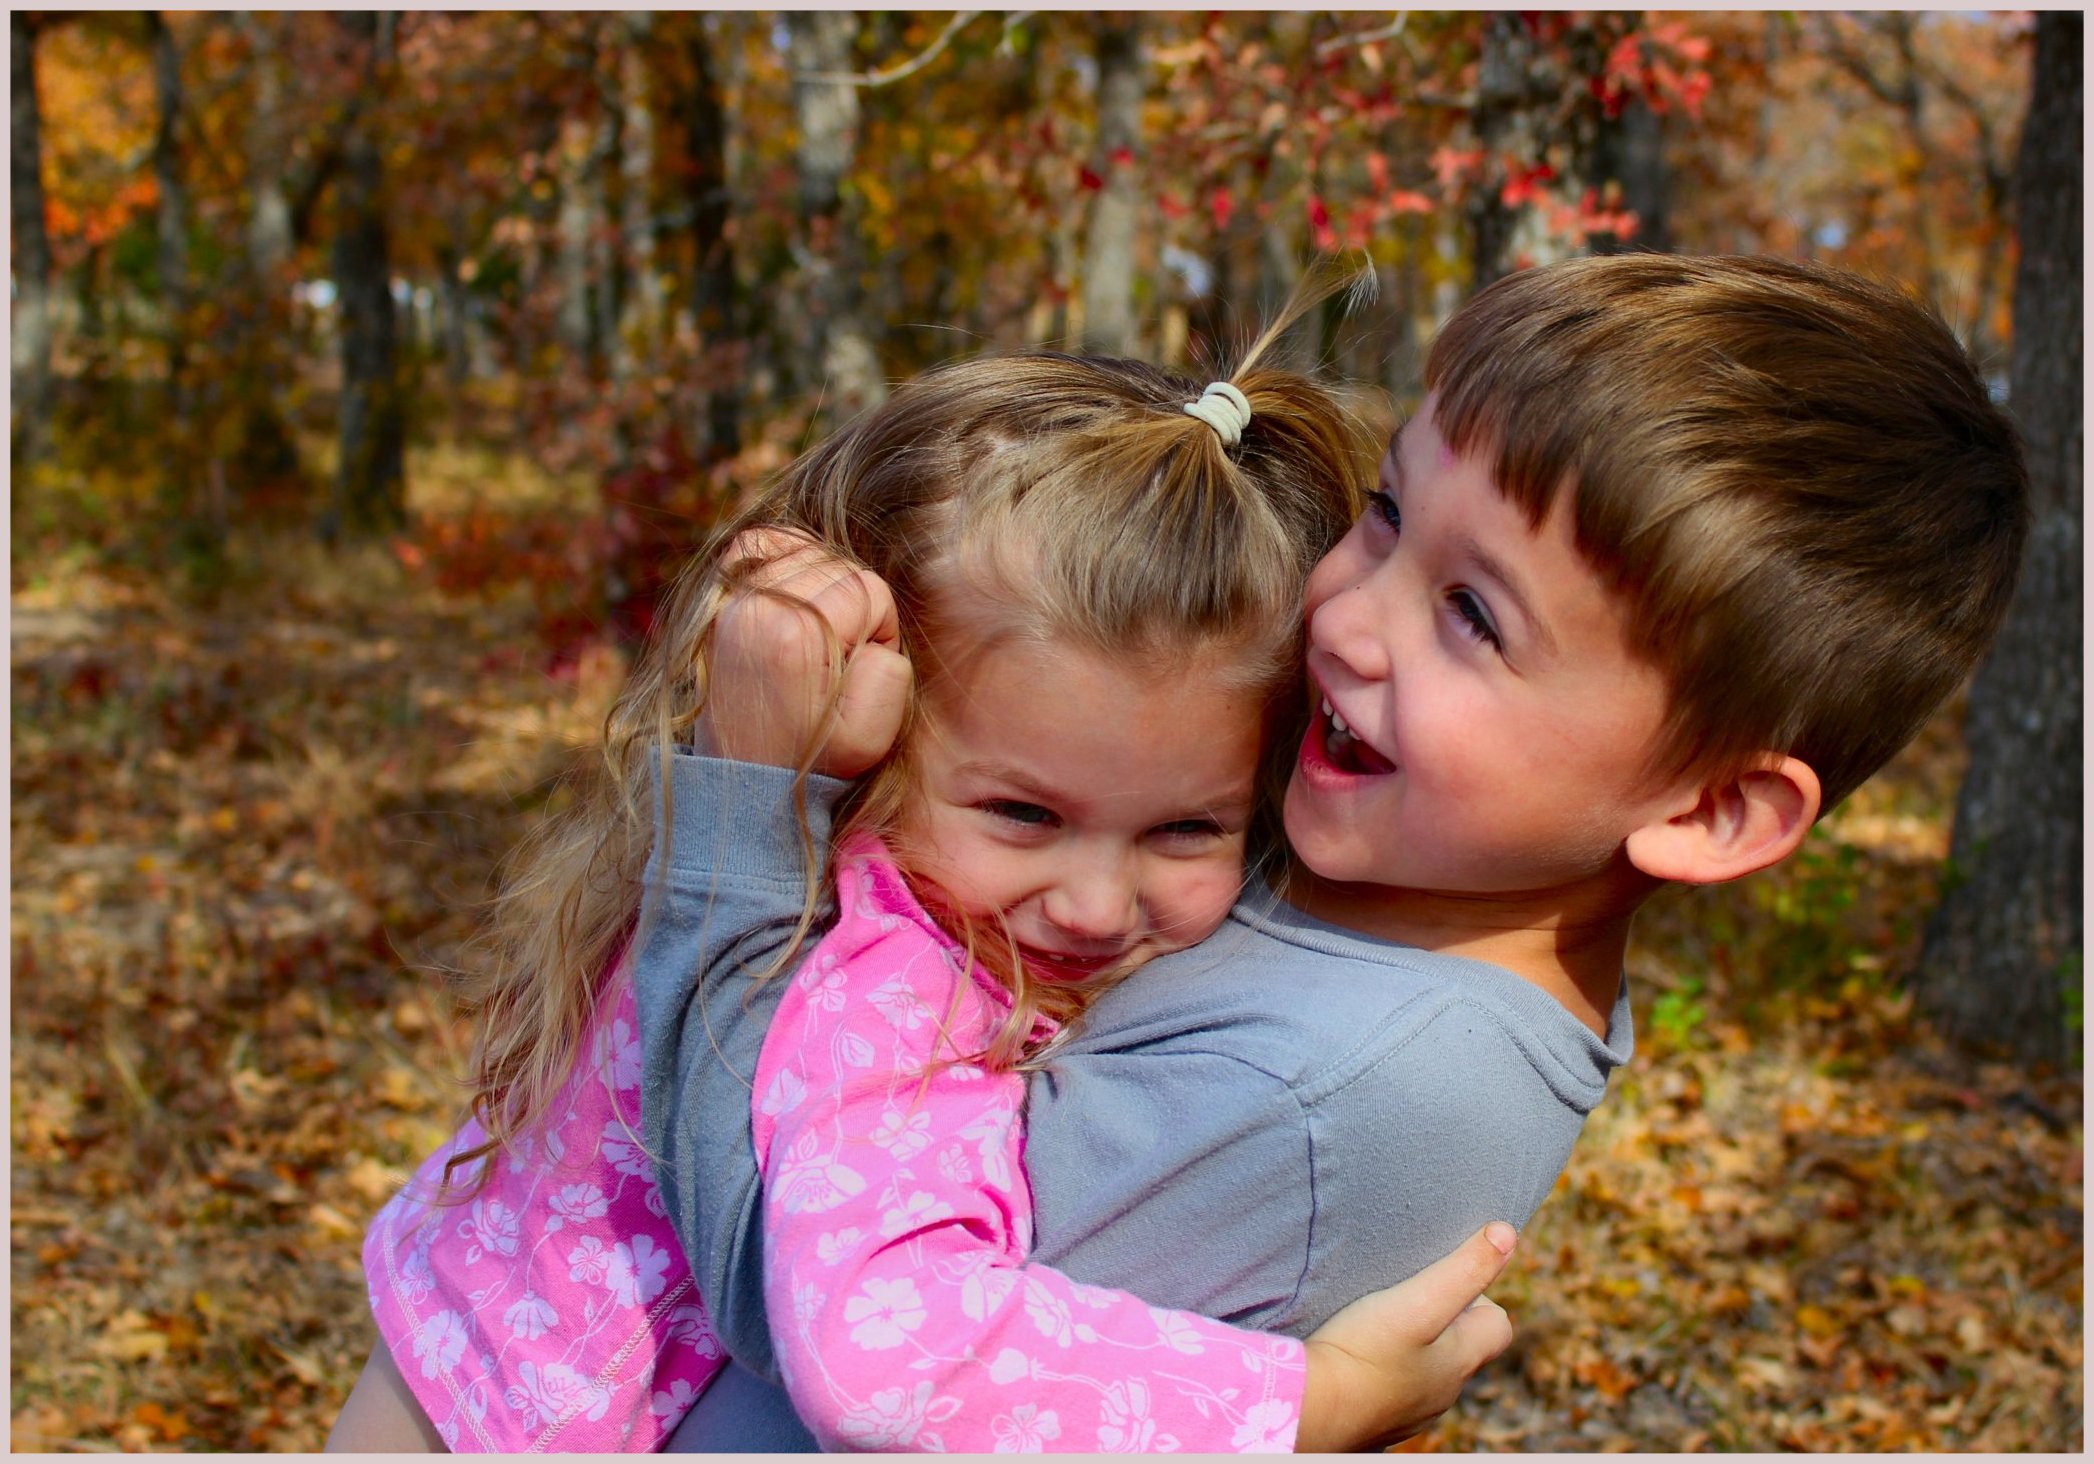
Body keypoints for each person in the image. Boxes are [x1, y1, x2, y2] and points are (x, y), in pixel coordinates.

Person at [637, 252, 2030, 1450]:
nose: (1347, 619)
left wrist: (744, 802)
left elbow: (793, 1299)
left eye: (1473, 616)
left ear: (1710, 813)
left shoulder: (1312, 1091)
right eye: (1388, 513)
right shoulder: (1405, 879)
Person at [330, 301, 1521, 1453]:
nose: (1095, 905)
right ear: (883, 738)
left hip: (456, 1331)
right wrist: (1307, 1403)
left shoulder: (886, 885)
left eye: (1185, 831)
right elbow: (878, 1366)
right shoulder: (894, 991)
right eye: (1023, 814)